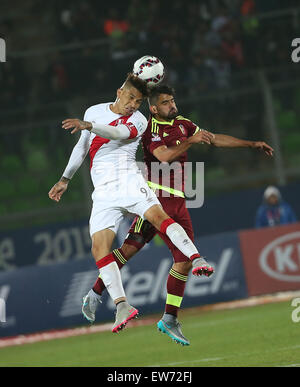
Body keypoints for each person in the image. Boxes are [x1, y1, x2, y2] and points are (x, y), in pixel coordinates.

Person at [82, 83, 274, 346]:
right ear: (153, 108)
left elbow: (214, 138)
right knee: (129, 251)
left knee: (176, 260)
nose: (172, 105)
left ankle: (169, 318)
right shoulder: (148, 130)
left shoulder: (183, 123)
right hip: (155, 197)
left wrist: (251, 144)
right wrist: (190, 141)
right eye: (166, 103)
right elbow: (164, 157)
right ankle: (96, 293)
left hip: (179, 200)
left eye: (172, 100)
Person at [48, 74, 215, 334]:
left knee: (160, 218)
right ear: (119, 92)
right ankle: (122, 305)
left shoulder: (138, 120)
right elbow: (82, 147)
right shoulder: (94, 111)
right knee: (99, 248)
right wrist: (64, 179)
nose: (133, 104)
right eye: (130, 98)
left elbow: (115, 132)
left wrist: (89, 125)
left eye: (138, 101)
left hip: (129, 182)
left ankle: (197, 258)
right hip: (103, 193)